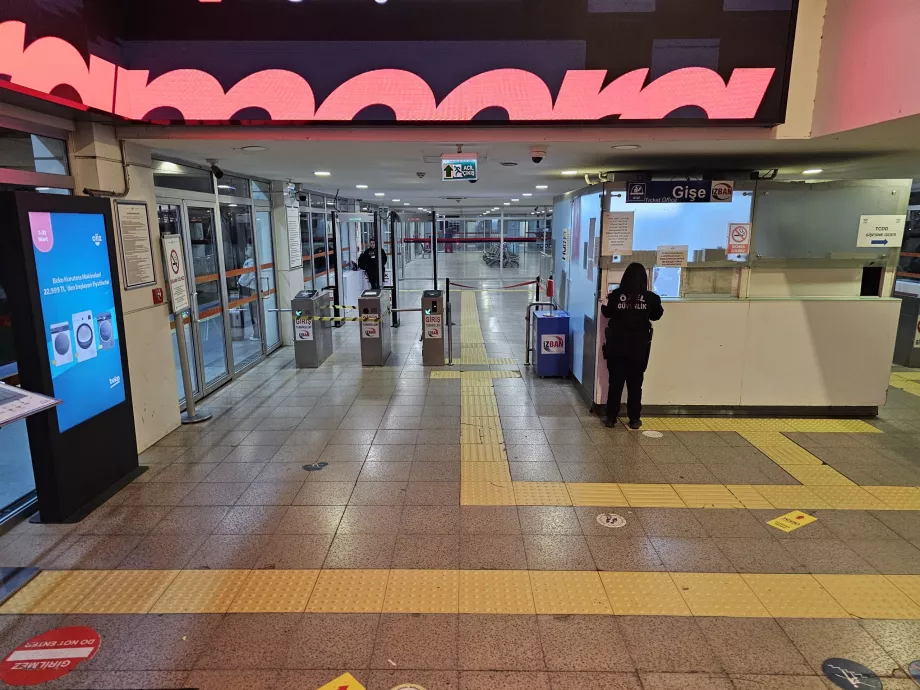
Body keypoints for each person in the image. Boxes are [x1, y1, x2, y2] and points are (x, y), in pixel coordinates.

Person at [601, 262, 663, 430]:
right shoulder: (650, 298)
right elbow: (657, 315)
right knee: (636, 385)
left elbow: (606, 312)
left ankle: (610, 418)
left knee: (616, 383)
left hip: (617, 347)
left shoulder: (616, 295)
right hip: (639, 348)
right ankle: (634, 419)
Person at [237, 244, 260, 341]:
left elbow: (246, 276)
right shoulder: (259, 258)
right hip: (259, 288)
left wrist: (241, 283)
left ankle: (256, 333)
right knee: (258, 311)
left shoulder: (249, 262)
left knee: (254, 312)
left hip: (253, 289)